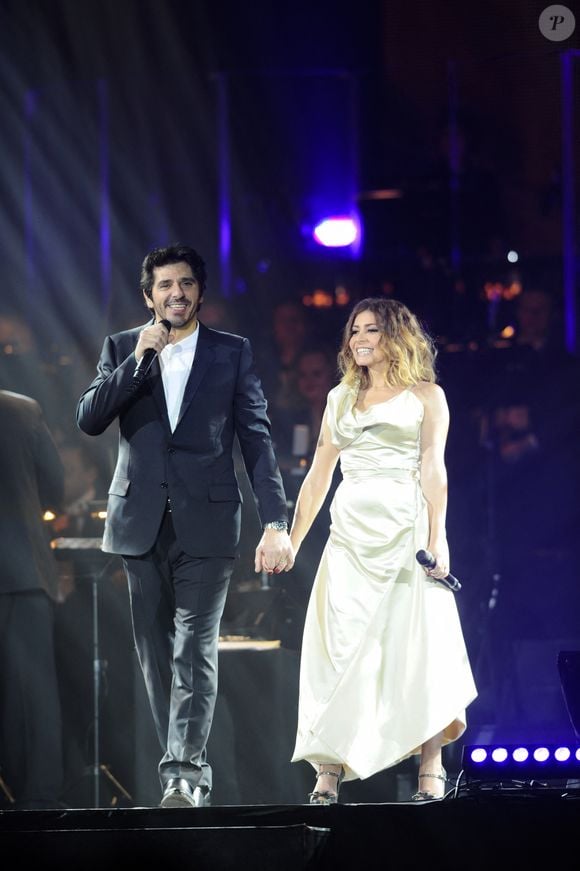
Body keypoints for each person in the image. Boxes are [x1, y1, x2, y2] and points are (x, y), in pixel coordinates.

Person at [76, 243, 294, 809]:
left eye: (186, 284)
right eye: (165, 285)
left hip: (210, 524)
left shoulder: (231, 352)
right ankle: (183, 764)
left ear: (200, 291)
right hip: (140, 524)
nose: (177, 293)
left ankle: (184, 775)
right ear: (148, 296)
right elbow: (90, 417)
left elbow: (257, 440)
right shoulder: (124, 348)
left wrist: (276, 519)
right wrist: (136, 360)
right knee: (154, 654)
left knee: (193, 647)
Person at [288, 297, 477, 804]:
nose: (360, 339)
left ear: (395, 335)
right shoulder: (339, 398)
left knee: (417, 645)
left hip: (405, 532)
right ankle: (328, 769)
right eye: (354, 331)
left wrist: (438, 537)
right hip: (350, 534)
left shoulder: (426, 396)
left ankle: (429, 767)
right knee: (339, 646)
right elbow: (319, 475)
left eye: (371, 329)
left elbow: (433, 469)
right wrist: (292, 538)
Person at [0, 388, 66, 809]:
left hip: (24, 575)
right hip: (25, 573)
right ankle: (41, 806)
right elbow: (55, 491)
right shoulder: (24, 410)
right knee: (35, 697)